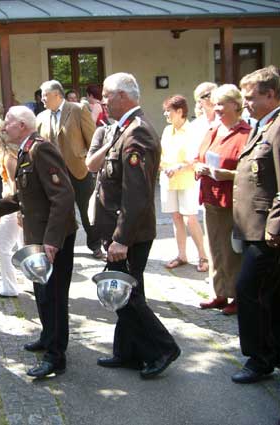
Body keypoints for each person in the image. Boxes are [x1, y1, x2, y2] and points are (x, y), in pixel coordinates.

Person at [0, 106, 77, 378]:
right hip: (38, 235)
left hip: (53, 238)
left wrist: (52, 240)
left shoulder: (41, 149)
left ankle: (56, 357)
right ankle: (47, 338)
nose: (3, 126)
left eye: (8, 122)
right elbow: (24, 197)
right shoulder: (25, 150)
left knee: (54, 297)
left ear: (22, 125)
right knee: (42, 293)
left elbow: (63, 196)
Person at [95, 72, 180, 379]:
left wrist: (121, 238)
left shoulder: (137, 132)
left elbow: (137, 193)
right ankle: (128, 352)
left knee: (127, 294)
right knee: (125, 291)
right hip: (121, 230)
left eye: (107, 95)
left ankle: (163, 348)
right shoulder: (124, 128)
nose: (103, 100)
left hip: (129, 233)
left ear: (123, 96)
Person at [231, 66, 280, 384]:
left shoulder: (278, 128)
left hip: (267, 230)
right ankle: (270, 352)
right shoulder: (261, 125)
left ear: (271, 94)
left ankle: (258, 359)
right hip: (252, 226)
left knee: (247, 290)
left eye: (250, 98)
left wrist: (275, 226)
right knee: (268, 294)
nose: (245, 103)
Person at [195, 84, 249, 316]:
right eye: (214, 104)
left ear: (235, 105)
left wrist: (227, 174)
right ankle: (219, 292)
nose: (216, 109)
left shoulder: (246, 133)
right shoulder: (214, 130)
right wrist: (199, 167)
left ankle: (237, 295)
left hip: (231, 201)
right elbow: (198, 157)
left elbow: (249, 172)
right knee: (214, 247)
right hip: (210, 197)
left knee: (230, 251)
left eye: (221, 104)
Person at [36, 80, 103, 259]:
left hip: (78, 169)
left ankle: (96, 244)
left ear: (57, 94)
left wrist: (91, 163)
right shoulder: (41, 117)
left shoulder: (77, 110)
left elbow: (92, 140)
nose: (42, 99)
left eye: (45, 95)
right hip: (53, 173)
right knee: (58, 211)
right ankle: (61, 246)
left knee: (87, 209)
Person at [159, 95, 209, 272]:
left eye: (168, 111)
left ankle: (203, 256)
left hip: (187, 180)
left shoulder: (192, 131)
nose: (165, 114)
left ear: (180, 111)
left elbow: (195, 157)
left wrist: (178, 167)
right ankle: (182, 255)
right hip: (168, 180)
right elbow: (161, 154)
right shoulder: (167, 130)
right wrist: (163, 167)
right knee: (176, 217)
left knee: (190, 218)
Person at [0, 119, 24, 297]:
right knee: (22, 245)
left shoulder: (8, 157)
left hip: (12, 207)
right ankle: (29, 279)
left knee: (2, 247)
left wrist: (19, 211)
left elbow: (16, 187)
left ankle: (9, 286)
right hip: (14, 206)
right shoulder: (9, 154)